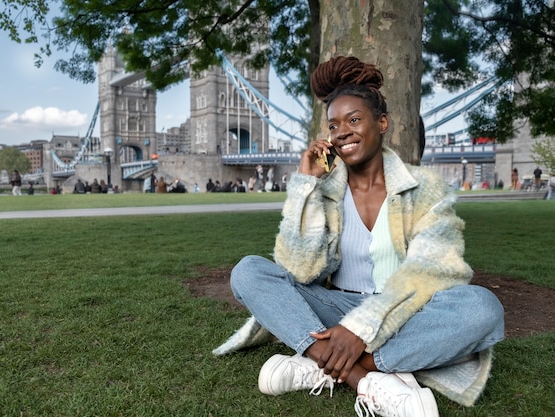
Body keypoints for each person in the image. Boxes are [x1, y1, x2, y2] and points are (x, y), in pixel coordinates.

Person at [213, 56, 504, 417]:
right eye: (334, 126)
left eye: (354, 120)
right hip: (337, 308)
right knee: (248, 271)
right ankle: (363, 379)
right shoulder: (326, 189)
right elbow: (299, 270)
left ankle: (321, 362)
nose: (343, 132)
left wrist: (359, 331)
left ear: (382, 123)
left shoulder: (424, 188)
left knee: (482, 307)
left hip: (403, 313)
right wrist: (305, 186)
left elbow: (431, 276)